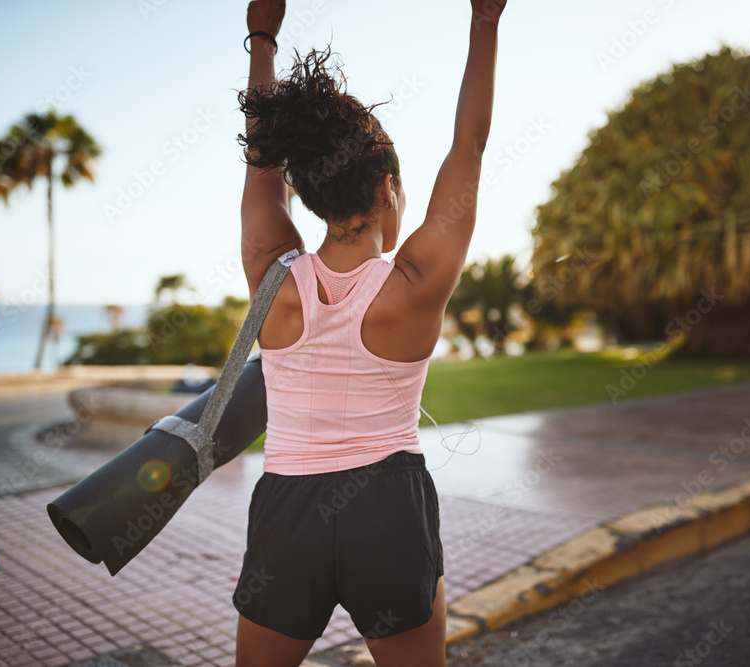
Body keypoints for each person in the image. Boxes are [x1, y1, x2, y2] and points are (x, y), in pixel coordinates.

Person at [234, 0, 505, 664]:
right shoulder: (412, 286)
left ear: (308, 193)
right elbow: (469, 144)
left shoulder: (273, 273)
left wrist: (262, 38)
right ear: (388, 190)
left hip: (287, 513)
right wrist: (485, 20)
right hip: (386, 508)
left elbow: (261, 164)